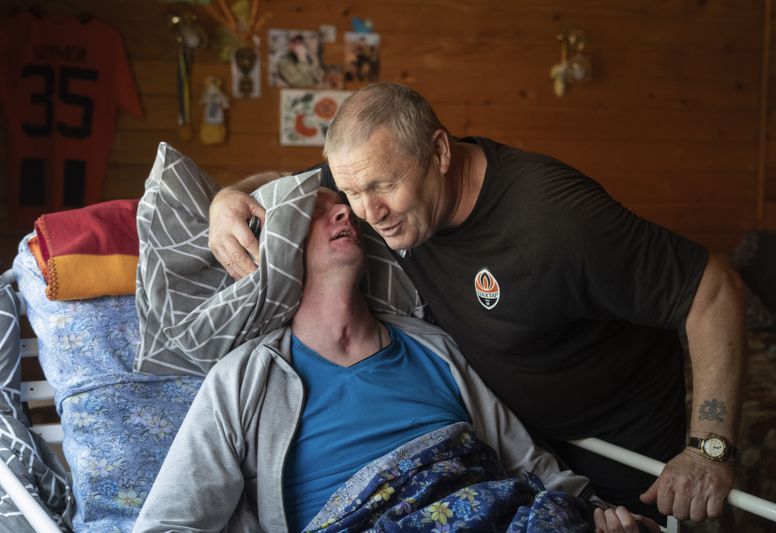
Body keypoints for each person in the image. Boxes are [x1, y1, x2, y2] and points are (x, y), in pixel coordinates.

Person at [208, 83, 746, 523]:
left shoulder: (557, 222)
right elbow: (294, 190)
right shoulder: (370, 185)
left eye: (383, 186)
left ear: (440, 153)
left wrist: (709, 449)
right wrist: (227, 199)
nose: (368, 212)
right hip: (521, 442)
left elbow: (712, 289)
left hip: (618, 439)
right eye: (353, 193)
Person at [133, 187, 657, 533]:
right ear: (273, 247)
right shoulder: (244, 380)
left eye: (342, 202)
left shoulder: (437, 347)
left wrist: (594, 514)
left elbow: (529, 465)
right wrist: (226, 197)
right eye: (315, 211)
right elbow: (169, 522)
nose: (344, 211)